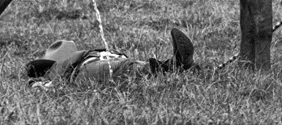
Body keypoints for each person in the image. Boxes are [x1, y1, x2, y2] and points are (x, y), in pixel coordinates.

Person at [26, 28, 196, 87]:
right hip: (88, 70)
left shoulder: (70, 64)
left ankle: (179, 66)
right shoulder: (60, 67)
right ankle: (175, 65)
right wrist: (35, 83)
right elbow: (38, 82)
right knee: (128, 67)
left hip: (92, 70)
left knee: (129, 68)